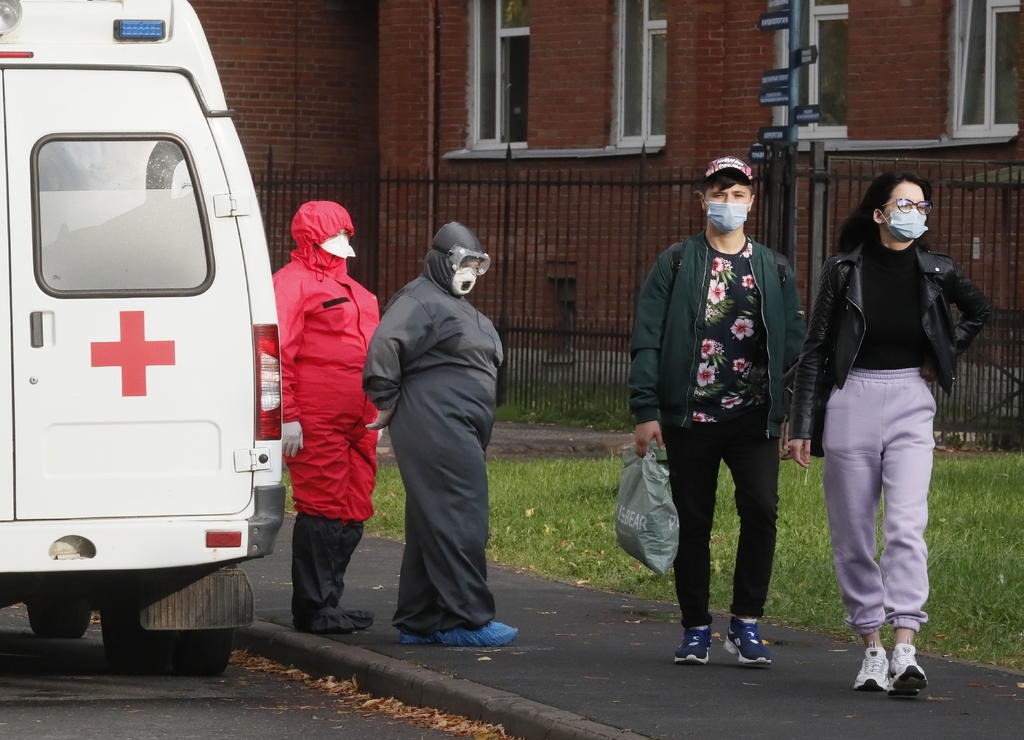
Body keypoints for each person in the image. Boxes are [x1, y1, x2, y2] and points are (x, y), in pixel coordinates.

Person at [786, 172, 991, 696]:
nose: (914, 213)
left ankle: (906, 646)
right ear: (879, 213)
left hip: (910, 401)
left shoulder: (937, 269)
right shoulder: (842, 269)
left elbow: (979, 310)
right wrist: (803, 424)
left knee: (905, 525)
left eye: (922, 205)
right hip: (852, 398)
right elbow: (815, 348)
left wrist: (940, 353)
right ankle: (871, 649)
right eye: (904, 204)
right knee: (852, 533)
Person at [629, 156, 805, 667]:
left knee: (761, 512)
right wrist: (645, 409)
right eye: (719, 193)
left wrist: (792, 415)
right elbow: (648, 337)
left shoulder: (772, 267)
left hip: (754, 419)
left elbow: (793, 347)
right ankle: (696, 626)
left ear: (753, 202)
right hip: (691, 417)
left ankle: (745, 623)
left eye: (738, 195)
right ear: (702, 198)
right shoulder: (678, 261)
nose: (728, 203)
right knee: (693, 519)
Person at [362, 222, 517, 648]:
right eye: (463, 262)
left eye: (476, 264)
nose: (469, 271)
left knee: (432, 520)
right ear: (441, 261)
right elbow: (384, 345)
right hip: (435, 424)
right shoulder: (420, 300)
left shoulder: (444, 301)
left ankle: (420, 619)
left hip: (453, 424)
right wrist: (386, 396)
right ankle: (466, 618)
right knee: (460, 517)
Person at [273, 200, 380, 634]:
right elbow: (276, 351)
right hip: (317, 417)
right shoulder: (290, 285)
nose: (344, 240)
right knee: (321, 507)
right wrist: (288, 415)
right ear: (312, 237)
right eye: (336, 233)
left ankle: (330, 601)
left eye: (346, 232)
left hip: (362, 417)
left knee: (354, 508)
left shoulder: (354, 288)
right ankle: (313, 607)